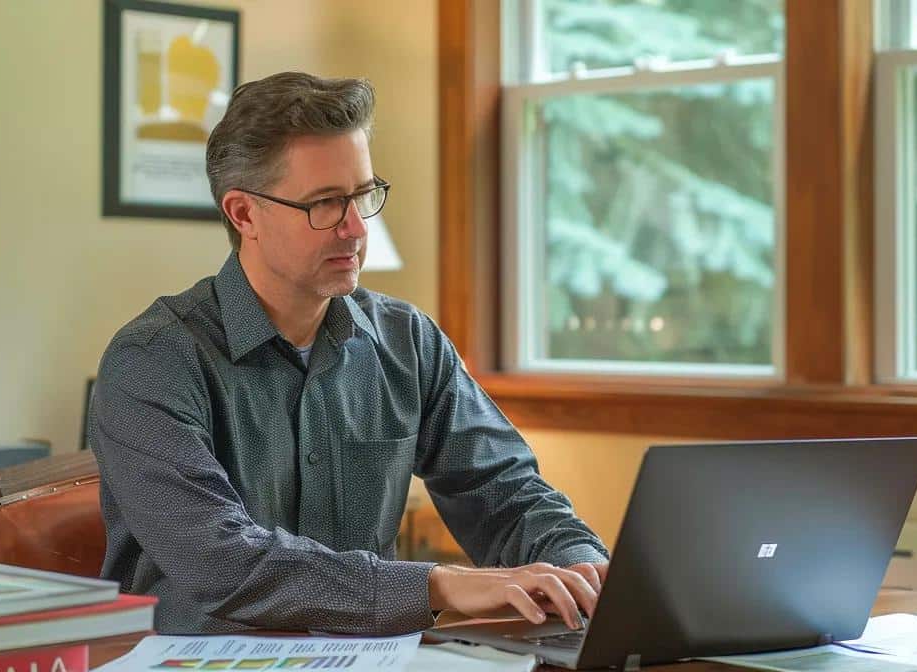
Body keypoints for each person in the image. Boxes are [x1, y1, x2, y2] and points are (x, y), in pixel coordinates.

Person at [89, 71, 610, 636]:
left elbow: (503, 492)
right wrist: (436, 585)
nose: (356, 227)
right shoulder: (152, 362)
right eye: (325, 204)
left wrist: (582, 565)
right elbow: (224, 562)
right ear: (243, 214)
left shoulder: (408, 342)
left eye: (362, 195)